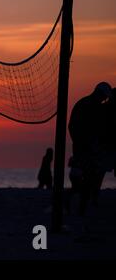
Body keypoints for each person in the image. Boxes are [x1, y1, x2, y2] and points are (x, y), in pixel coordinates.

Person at [68, 82, 112, 215]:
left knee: (83, 178)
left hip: (84, 148)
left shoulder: (83, 103)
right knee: (84, 178)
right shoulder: (93, 107)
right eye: (104, 97)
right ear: (99, 93)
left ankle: (80, 204)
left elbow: (72, 127)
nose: (104, 99)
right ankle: (77, 203)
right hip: (87, 149)